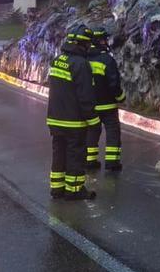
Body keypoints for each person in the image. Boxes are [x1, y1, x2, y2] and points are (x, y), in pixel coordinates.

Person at [46, 25, 97, 200]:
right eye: (88, 44)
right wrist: (93, 119)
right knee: (75, 155)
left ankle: (57, 188)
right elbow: (85, 96)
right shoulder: (81, 64)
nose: (89, 47)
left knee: (59, 153)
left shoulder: (57, 60)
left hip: (55, 119)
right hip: (73, 121)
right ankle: (74, 190)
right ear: (82, 44)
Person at [84, 25, 126, 172]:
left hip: (90, 106)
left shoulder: (83, 59)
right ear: (99, 41)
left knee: (92, 132)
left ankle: (90, 161)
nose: (106, 42)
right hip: (108, 106)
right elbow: (114, 84)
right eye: (104, 39)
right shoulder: (107, 60)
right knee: (113, 133)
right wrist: (121, 97)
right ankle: (112, 162)